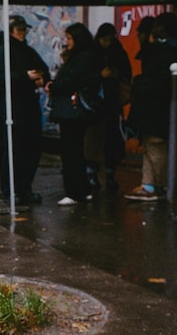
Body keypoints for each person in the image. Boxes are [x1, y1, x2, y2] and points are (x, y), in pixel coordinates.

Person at [0, 15, 49, 206]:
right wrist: (24, 76)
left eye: (24, 30)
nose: (22, 33)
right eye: (19, 30)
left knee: (31, 147)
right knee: (13, 148)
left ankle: (25, 188)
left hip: (29, 104)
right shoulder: (2, 52)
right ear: (11, 30)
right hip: (11, 104)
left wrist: (41, 77)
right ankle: (11, 190)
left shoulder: (28, 51)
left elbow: (43, 68)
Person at [46, 22, 102, 205]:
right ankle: (82, 188)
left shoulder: (82, 58)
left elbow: (70, 80)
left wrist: (53, 86)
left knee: (71, 151)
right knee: (76, 149)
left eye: (69, 38)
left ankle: (74, 190)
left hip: (72, 110)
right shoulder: (88, 56)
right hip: (75, 110)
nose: (66, 42)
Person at [125, 12, 177, 202]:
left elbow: (158, 84)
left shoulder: (160, 53)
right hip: (160, 111)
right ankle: (150, 184)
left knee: (155, 148)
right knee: (154, 147)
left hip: (155, 111)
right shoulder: (166, 52)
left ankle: (156, 185)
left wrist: (139, 82)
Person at [84, 22, 132, 192]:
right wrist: (100, 76)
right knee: (95, 140)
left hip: (110, 103)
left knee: (110, 140)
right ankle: (93, 174)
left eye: (110, 40)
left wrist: (116, 74)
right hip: (97, 105)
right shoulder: (92, 52)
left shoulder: (116, 52)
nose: (107, 43)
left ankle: (108, 175)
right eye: (105, 40)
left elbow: (127, 72)